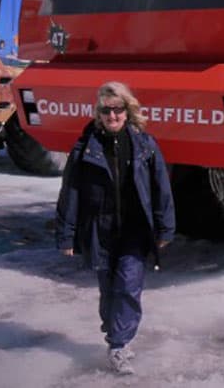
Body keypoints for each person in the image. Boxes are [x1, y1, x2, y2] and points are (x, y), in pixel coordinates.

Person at [55, 81, 175, 375]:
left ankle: (120, 346)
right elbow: (70, 191)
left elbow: (161, 188)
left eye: (118, 109)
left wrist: (165, 228)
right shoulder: (85, 148)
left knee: (128, 286)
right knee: (109, 290)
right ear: (99, 113)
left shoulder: (145, 144)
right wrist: (67, 234)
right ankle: (114, 330)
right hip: (101, 228)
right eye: (106, 110)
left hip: (135, 230)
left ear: (127, 110)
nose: (112, 116)